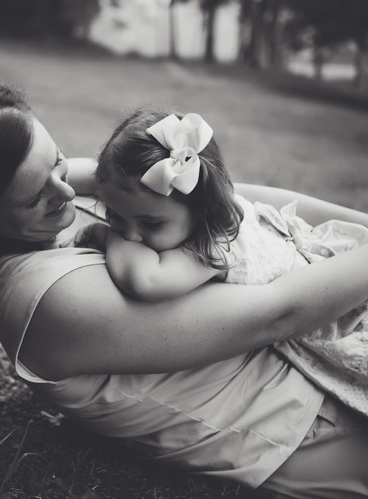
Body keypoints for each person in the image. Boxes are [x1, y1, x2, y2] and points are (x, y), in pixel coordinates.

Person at [0, 79, 368, 498]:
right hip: (315, 418)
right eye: (35, 197)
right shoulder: (49, 302)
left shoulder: (47, 215)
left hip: (321, 342)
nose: (67, 192)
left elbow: (223, 198)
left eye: (59, 162)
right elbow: (277, 313)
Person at [65, 108, 368, 417]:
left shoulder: (215, 245)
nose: (132, 235)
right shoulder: (172, 204)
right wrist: (50, 176)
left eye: (150, 224)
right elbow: (84, 175)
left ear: (201, 211)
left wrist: (107, 236)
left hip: (337, 310)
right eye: (115, 215)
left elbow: (147, 281)